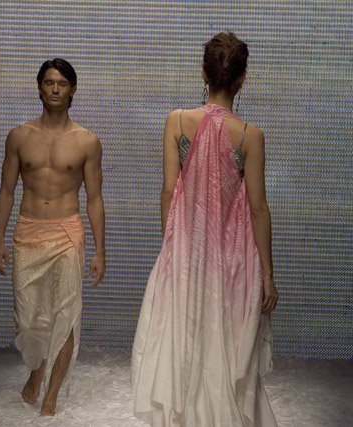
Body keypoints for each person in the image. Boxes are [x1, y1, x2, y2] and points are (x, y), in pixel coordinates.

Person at [131, 31, 279, 426]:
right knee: (225, 343)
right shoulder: (250, 136)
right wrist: (267, 275)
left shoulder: (177, 122)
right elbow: (258, 209)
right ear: (242, 79)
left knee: (183, 339)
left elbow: (168, 190)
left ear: (203, 73)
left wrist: (172, 249)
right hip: (233, 260)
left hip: (186, 254)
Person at [0, 58, 106, 416]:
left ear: (73, 90)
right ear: (39, 88)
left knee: (65, 314)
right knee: (28, 318)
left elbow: (95, 198)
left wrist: (100, 250)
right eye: (49, 82)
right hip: (27, 230)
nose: (55, 89)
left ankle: (52, 392)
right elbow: (6, 190)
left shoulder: (87, 141)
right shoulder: (19, 136)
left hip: (67, 232)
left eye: (62, 83)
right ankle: (36, 369)